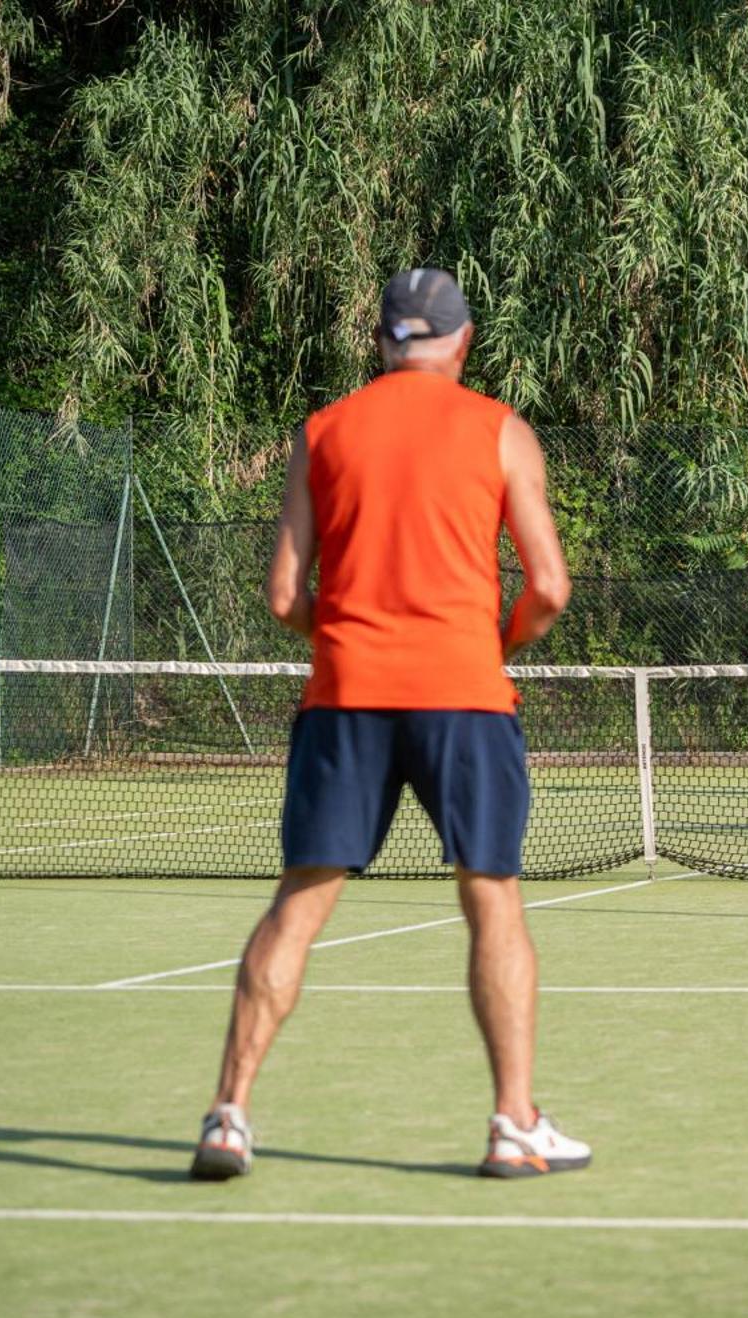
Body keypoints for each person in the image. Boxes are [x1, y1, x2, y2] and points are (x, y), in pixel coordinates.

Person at [190, 268, 588, 1181]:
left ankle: (228, 1115)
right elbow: (551, 588)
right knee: (492, 900)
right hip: (465, 694)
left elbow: (286, 593)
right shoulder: (500, 429)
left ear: (382, 343)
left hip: (345, 696)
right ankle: (512, 1124)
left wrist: (345, 633)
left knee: (298, 905)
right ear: (462, 340)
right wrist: (493, 646)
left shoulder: (323, 431)